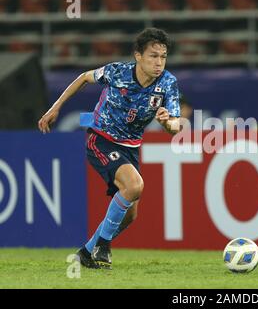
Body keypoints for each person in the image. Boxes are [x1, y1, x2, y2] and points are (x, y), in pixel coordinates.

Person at [38, 28, 181, 269]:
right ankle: (103, 246)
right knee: (135, 186)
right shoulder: (117, 72)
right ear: (138, 55)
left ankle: (85, 252)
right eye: (153, 56)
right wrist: (56, 107)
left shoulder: (168, 83)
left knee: (131, 214)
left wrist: (168, 122)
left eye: (163, 57)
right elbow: (84, 77)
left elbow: (176, 127)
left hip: (131, 147)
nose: (159, 63)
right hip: (101, 138)